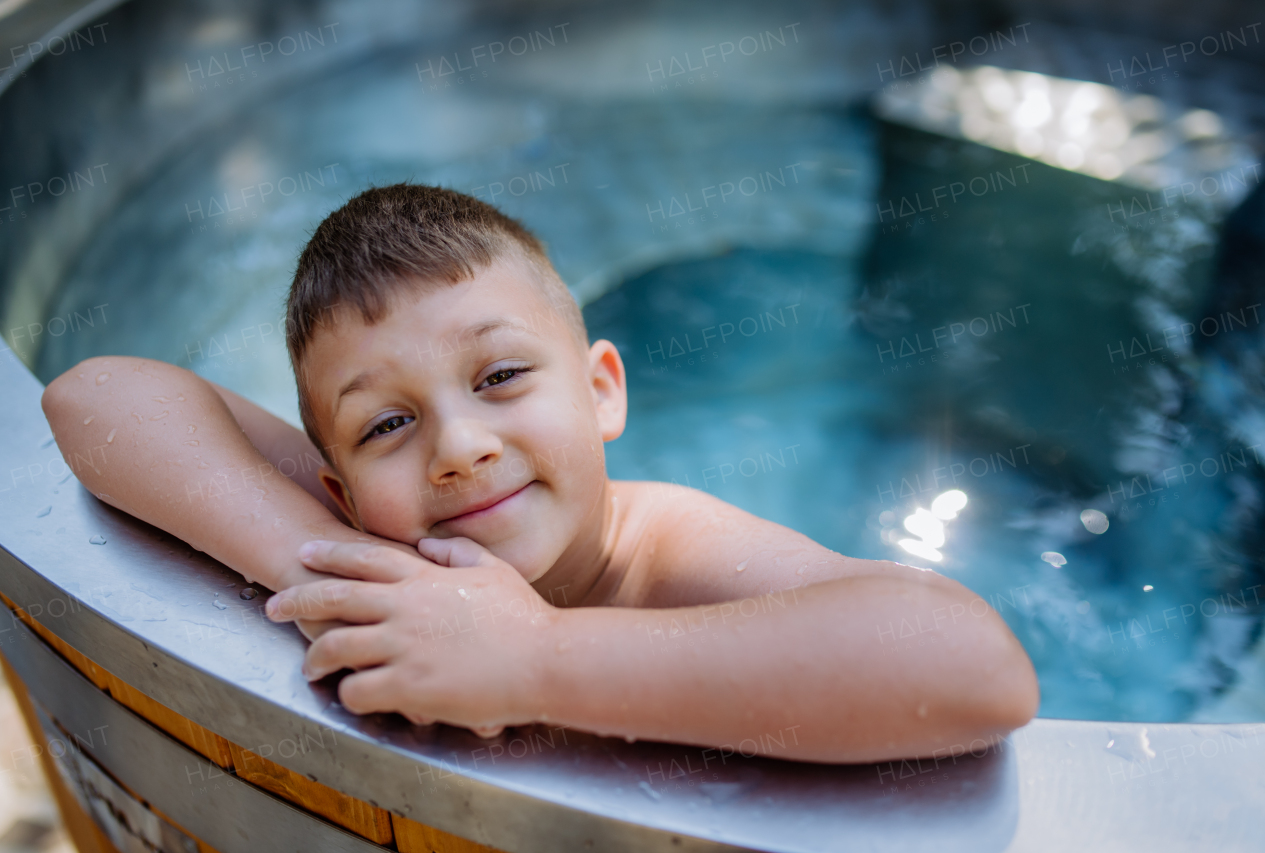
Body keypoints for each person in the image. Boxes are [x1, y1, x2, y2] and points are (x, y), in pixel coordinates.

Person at [41, 184, 1038, 763]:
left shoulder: (664, 553)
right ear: (338, 487)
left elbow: (973, 668)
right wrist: (339, 576)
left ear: (601, 391)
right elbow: (95, 396)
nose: (459, 446)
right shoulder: (377, 541)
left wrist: (539, 659)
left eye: (501, 375)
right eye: (387, 423)